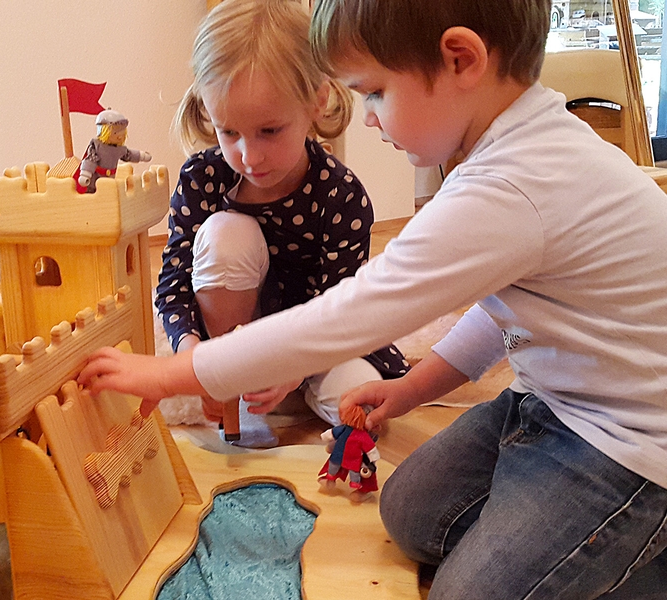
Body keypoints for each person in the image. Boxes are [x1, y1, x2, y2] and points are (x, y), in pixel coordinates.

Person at [79, 0, 667, 596]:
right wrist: (410, 389)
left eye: (377, 92)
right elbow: (503, 313)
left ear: (460, 60)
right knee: (410, 515)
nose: (366, 118)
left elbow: (351, 314)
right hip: (548, 403)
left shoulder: (514, 183)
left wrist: (175, 373)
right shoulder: (516, 155)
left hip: (632, 449)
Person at [152, 0, 408, 443]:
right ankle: (230, 380)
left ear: (318, 100)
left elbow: (343, 311)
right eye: (228, 131)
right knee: (223, 234)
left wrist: (291, 369)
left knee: (361, 405)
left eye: (270, 130)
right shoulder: (203, 178)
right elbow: (173, 282)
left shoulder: (340, 196)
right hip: (232, 341)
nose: (249, 156)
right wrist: (196, 358)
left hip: (313, 348)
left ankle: (283, 393)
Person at [74, 109, 152, 194]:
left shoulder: (119, 149)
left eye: (122, 135)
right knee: (93, 191)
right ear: (103, 131)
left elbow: (129, 155)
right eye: (115, 134)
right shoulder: (97, 146)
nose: (120, 137)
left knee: (108, 191)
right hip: (96, 178)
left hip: (110, 178)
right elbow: (90, 159)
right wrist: (86, 173)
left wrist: (142, 156)